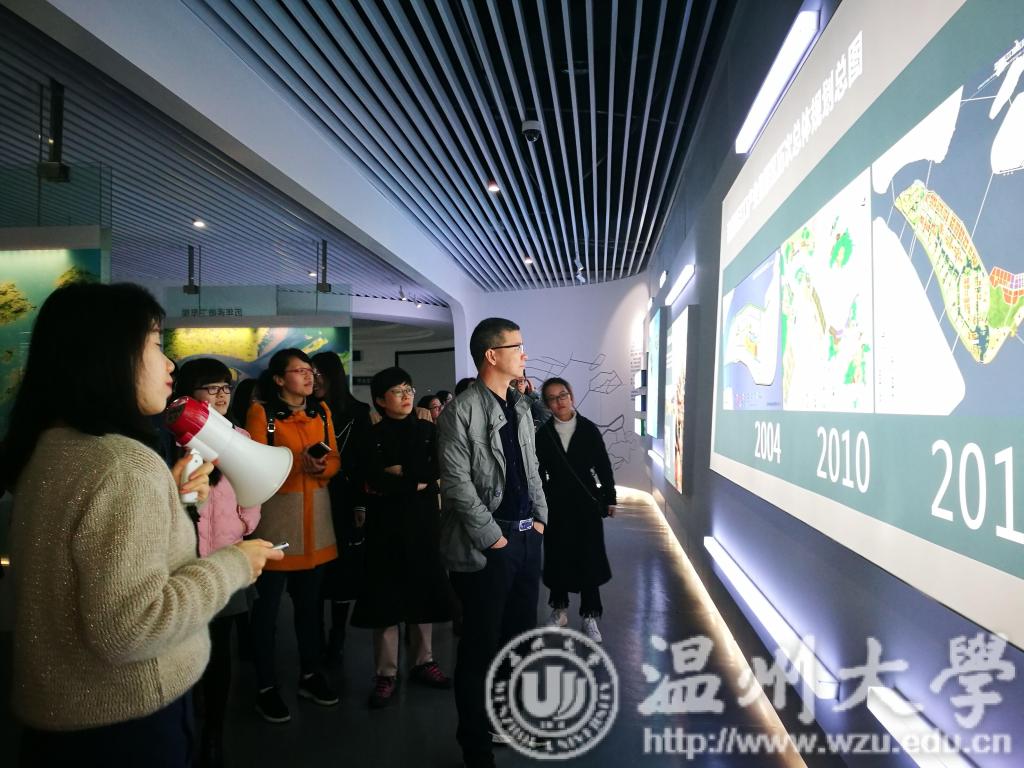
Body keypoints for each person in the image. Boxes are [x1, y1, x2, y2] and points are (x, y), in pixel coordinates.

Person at [2, 282, 281, 768]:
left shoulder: (53, 447)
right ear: (109, 356)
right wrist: (236, 563)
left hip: (63, 717)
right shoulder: (124, 465)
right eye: (155, 344)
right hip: (127, 724)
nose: (170, 364)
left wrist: (168, 497)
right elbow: (134, 627)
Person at [437, 317, 548, 768]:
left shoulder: (520, 406)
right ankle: (475, 745)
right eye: (516, 347)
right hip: (488, 546)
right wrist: (493, 538)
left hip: (526, 540)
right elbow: (457, 484)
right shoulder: (460, 411)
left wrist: (540, 520)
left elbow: (531, 468)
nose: (524, 354)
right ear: (491, 355)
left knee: (519, 640)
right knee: (480, 647)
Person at [173, 358, 262, 767]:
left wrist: (245, 523)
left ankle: (213, 732)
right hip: (180, 560)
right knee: (181, 644)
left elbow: (251, 491)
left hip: (225, 556)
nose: (222, 394)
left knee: (220, 650)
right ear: (189, 395)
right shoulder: (171, 440)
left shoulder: (239, 438)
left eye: (225, 387)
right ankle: (189, 720)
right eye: (212, 387)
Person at [245, 349, 341, 723]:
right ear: (278, 379)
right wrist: (298, 463)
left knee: (310, 607)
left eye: (310, 370)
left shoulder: (322, 411)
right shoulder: (262, 414)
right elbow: (255, 466)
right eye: (299, 371)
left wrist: (320, 467)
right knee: (267, 611)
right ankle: (265, 686)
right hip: (277, 524)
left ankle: (310, 674)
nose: (308, 376)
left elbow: (334, 459)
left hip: (317, 521)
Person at [351, 367, 452, 707]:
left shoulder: (426, 428)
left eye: (409, 389)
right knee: (386, 598)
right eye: (397, 391)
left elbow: (437, 468)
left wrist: (402, 474)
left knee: (423, 590)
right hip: (385, 526)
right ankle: (386, 672)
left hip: (423, 522)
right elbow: (371, 478)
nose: (407, 396)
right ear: (380, 400)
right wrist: (414, 481)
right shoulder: (371, 433)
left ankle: (424, 661)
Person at [534, 377, 617, 643]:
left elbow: (602, 465)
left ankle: (590, 614)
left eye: (562, 395)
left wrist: (610, 497)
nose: (559, 402)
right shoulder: (543, 434)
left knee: (589, 556)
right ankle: (559, 610)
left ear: (571, 396)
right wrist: (540, 500)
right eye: (552, 398)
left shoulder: (588, 429)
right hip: (556, 504)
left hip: (585, 503)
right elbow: (537, 472)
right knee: (557, 555)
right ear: (546, 404)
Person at [311, 351, 372, 666]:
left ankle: (337, 635)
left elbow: (363, 460)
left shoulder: (357, 412)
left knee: (343, 569)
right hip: (312, 495)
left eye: (318, 374)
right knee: (314, 571)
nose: (313, 380)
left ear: (333, 375)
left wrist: (360, 502)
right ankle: (316, 638)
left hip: (345, 497)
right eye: (309, 374)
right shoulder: (306, 411)